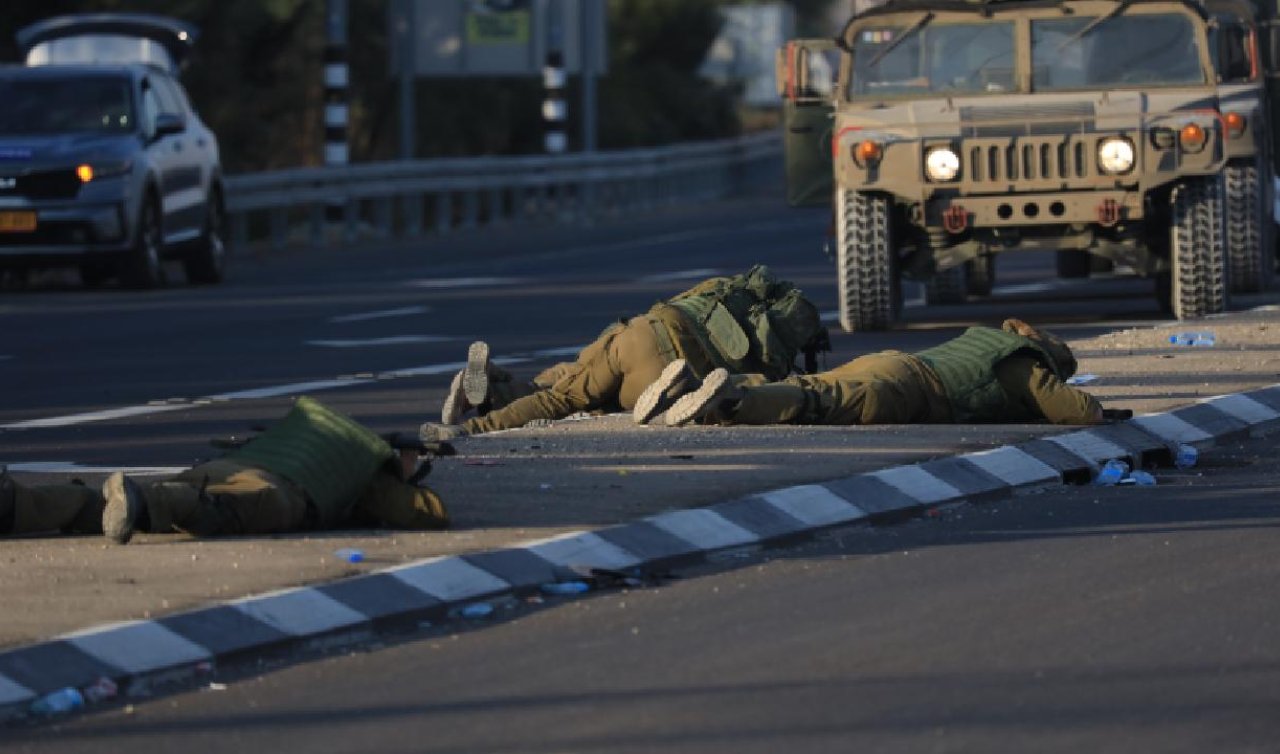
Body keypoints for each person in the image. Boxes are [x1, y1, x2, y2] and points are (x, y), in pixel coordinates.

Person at [422, 265, 830, 441]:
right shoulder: (772, 355)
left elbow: (676, 303)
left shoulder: (730, 289)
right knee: (590, 400)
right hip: (667, 375)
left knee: (571, 385)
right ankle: (491, 396)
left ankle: (484, 403)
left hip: (641, 334)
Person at [0, 396, 449, 543]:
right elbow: (426, 513)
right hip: (276, 491)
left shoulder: (300, 433)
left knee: (100, 505)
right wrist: (397, 471)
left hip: (226, 466)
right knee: (212, 513)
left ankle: (17, 504)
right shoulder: (361, 470)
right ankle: (137, 501)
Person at [653, 318, 1120, 428]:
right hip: (906, 387)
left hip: (889, 361)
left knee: (810, 385)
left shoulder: (985, 338)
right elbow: (1078, 412)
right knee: (820, 402)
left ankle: (699, 387)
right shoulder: (1024, 365)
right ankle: (733, 403)